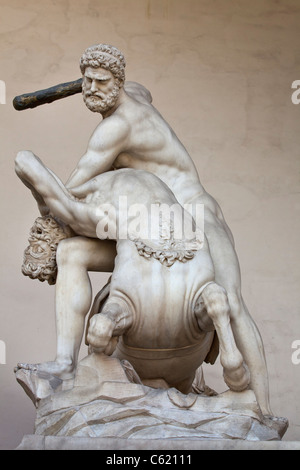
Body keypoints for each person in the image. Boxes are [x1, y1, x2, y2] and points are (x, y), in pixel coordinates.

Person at [17, 44, 271, 415]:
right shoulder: (132, 95)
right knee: (72, 254)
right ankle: (64, 361)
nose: (90, 89)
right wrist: (96, 76)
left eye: (100, 82)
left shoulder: (115, 128)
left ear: (117, 82)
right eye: (85, 82)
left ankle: (263, 407)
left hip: (194, 213)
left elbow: (72, 190)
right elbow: (140, 89)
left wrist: (43, 196)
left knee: (232, 302)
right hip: (147, 226)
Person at [15, 150, 250, 394]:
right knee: (70, 251)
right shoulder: (109, 194)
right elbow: (28, 165)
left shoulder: (93, 211)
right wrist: (44, 195)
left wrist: (51, 202)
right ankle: (229, 350)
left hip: (150, 290)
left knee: (68, 252)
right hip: (185, 248)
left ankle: (65, 362)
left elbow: (26, 162)